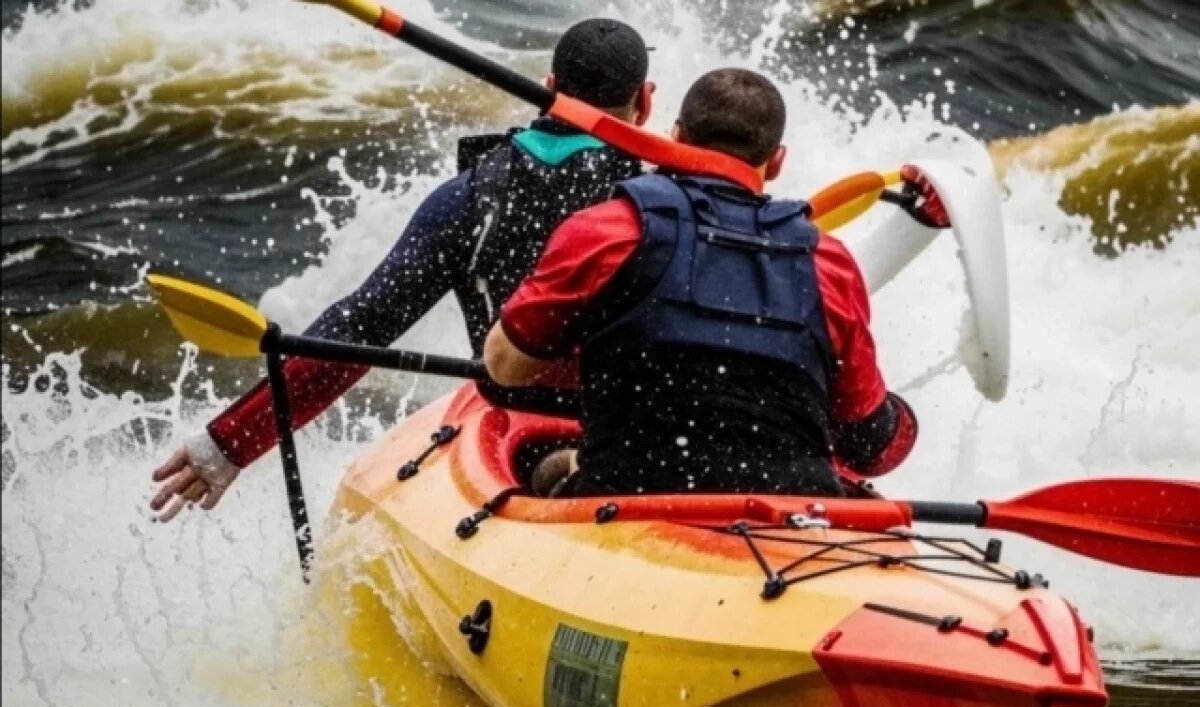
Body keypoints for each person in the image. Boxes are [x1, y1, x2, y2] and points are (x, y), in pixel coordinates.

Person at [150, 19, 654, 521]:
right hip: (642, 435)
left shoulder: (471, 198)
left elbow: (361, 327)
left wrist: (230, 443)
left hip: (511, 421)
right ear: (645, 102)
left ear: (549, 87)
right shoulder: (665, 201)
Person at [485, 68, 934, 497]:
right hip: (791, 511)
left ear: (676, 136)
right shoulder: (829, 263)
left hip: (625, 493)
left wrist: (588, 355)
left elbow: (504, 367)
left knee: (549, 469)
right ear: (777, 162)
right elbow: (870, 446)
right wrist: (903, 420)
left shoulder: (607, 231)